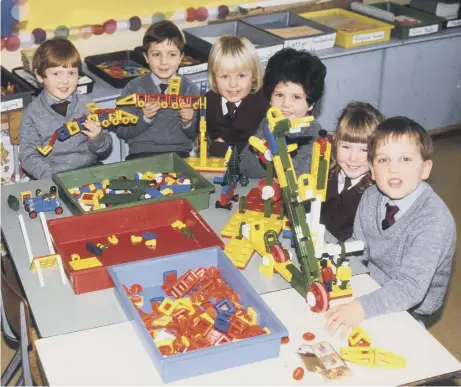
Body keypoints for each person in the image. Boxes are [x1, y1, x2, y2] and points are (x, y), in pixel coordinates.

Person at [325, 117, 456, 337]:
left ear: (425, 169)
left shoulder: (434, 222)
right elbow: (358, 245)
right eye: (383, 160)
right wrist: (333, 262)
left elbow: (411, 288)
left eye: (405, 159)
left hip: (411, 305)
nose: (393, 169)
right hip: (370, 282)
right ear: (372, 171)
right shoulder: (370, 196)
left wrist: (361, 307)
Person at [19, 38, 112, 179]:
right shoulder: (32, 114)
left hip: (89, 171)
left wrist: (97, 138)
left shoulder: (87, 105)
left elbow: (106, 149)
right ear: (39, 76)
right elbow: (28, 156)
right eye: (56, 73)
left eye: (71, 73)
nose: (65, 81)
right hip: (53, 177)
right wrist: (52, 177)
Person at [116, 20, 199, 159]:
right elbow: (121, 131)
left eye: (171, 54)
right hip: (141, 155)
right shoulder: (133, 88)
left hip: (179, 155)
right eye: (156, 54)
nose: (164, 61)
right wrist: (144, 118)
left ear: (181, 58)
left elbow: (199, 135)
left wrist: (188, 122)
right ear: (146, 57)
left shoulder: (190, 88)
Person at [239, 48, 326, 178]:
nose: (285, 104)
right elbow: (244, 166)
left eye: (296, 97)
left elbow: (296, 174)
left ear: (311, 103)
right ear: (269, 97)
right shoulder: (268, 124)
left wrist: (265, 158)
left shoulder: (313, 132)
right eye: (279, 95)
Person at [321, 102, 384, 241]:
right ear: (335, 142)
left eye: (364, 150)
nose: (353, 158)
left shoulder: (376, 193)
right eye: (346, 147)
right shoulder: (327, 173)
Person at [204, 35, 269, 157]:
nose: (233, 84)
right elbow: (201, 136)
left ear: (254, 75)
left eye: (241, 76)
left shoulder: (262, 103)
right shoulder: (208, 101)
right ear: (214, 77)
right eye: (224, 76)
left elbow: (263, 144)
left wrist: (225, 148)